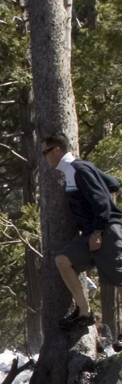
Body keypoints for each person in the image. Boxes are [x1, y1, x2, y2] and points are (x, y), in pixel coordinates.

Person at [42, 133, 122, 331]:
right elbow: (113, 183)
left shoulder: (79, 170)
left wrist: (98, 231)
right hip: (88, 234)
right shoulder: (77, 169)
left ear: (57, 150)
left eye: (45, 152)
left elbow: (103, 202)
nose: (44, 157)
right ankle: (85, 313)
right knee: (63, 260)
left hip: (105, 232)